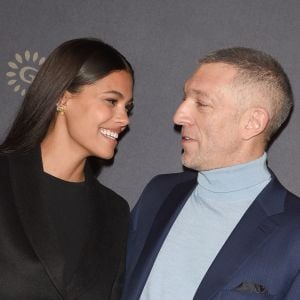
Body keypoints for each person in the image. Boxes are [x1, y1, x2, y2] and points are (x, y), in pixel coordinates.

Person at [123, 47, 300, 299]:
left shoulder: (294, 234)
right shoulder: (159, 193)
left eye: (202, 103)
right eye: (184, 99)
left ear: (252, 123)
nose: (179, 115)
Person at [0, 38, 134, 299]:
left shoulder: (115, 212)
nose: (124, 119)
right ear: (63, 98)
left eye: (127, 107)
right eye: (111, 101)